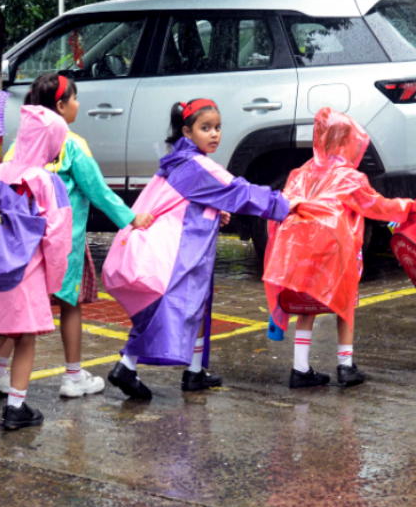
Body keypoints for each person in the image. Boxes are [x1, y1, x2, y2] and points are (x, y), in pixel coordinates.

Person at [104, 99, 289, 399]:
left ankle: (194, 371)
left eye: (217, 127)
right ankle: (127, 365)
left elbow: (187, 199)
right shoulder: (198, 165)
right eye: (206, 128)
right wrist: (284, 204)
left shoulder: (177, 160)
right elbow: (238, 191)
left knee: (195, 307)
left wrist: (214, 211)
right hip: (179, 252)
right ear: (187, 132)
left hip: (170, 248)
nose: (214, 134)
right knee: (170, 309)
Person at [0, 73, 152, 399]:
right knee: (70, 305)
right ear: (61, 106)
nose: (78, 104)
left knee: (19, 308)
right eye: (74, 98)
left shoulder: (20, 145)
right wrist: (132, 218)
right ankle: (73, 377)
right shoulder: (73, 144)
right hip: (65, 242)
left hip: (27, 243)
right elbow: (98, 191)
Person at [263, 108, 412, 389]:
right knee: (345, 304)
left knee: (306, 305)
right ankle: (346, 366)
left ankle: (300, 368)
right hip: (336, 247)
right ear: (349, 142)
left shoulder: (300, 173)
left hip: (299, 247)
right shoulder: (349, 177)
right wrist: (408, 207)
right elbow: (376, 206)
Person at [0, 105, 73, 430]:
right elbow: (58, 237)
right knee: (25, 338)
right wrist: (54, 282)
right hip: (24, 275)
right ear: (51, 143)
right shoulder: (47, 181)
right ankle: (16, 407)